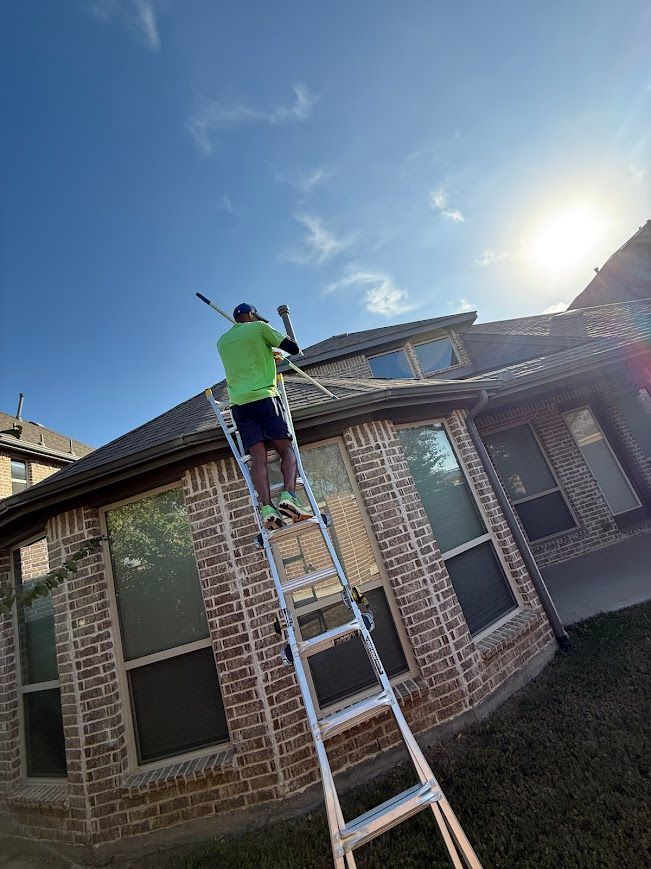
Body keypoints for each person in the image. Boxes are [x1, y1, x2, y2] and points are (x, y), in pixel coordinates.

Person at [217, 302, 313, 531]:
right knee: (285, 449)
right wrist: (274, 351)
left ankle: (267, 508)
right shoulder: (259, 327)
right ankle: (289, 496)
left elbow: (247, 358)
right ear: (251, 314)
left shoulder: (222, 342)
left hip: (240, 405)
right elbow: (292, 348)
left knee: (257, 457)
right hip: (265, 398)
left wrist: (268, 355)